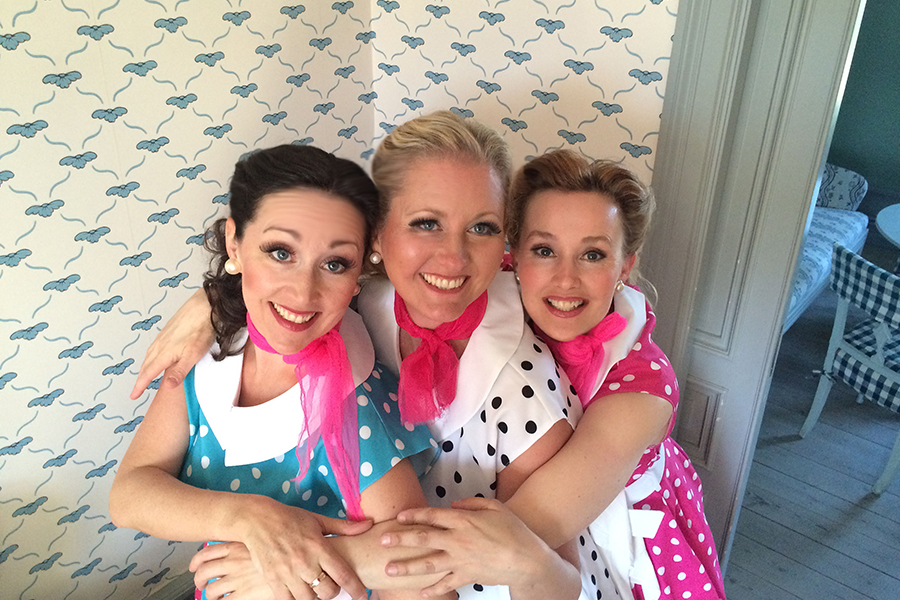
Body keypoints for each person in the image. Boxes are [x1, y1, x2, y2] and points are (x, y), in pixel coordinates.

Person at [131, 113, 603, 600]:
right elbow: (298, 272)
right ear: (377, 237)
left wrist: (314, 557)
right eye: (426, 223)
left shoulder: (526, 393)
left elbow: (553, 581)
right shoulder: (360, 302)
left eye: (482, 227)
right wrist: (212, 302)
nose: (453, 258)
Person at [379, 150, 726, 599]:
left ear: (625, 265)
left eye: (593, 255)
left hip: (615, 540)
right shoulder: (497, 283)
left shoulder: (642, 392)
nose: (565, 279)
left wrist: (369, 558)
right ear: (514, 256)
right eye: (544, 251)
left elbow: (525, 529)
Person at [109, 144, 450, 600]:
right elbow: (130, 492)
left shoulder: (353, 401)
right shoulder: (206, 356)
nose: (303, 292)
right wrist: (251, 518)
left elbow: (423, 582)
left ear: (357, 275)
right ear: (234, 243)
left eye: (334, 264)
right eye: (280, 252)